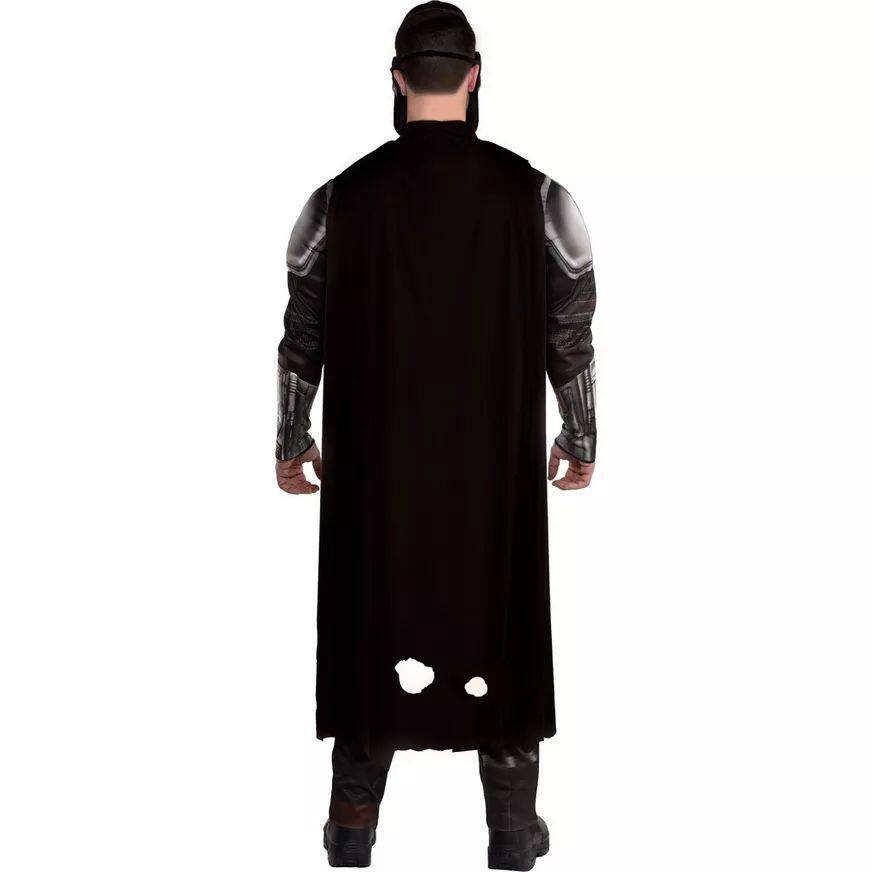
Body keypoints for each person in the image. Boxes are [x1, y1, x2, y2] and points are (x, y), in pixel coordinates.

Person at [275, 3, 597, 868]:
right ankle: (511, 832)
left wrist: (290, 439)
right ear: (475, 75)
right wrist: (582, 435)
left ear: (396, 78)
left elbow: (301, 334)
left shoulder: (339, 199)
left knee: (369, 620)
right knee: (499, 617)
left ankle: (351, 824)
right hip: (491, 474)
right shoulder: (536, 196)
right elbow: (571, 331)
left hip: (375, 477)